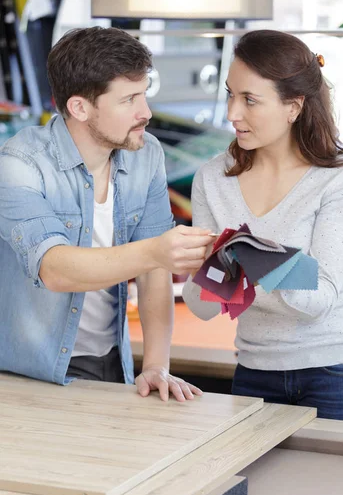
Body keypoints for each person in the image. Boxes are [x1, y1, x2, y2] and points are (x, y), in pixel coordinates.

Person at [0, 26, 215, 402]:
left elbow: (154, 272)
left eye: (144, 94)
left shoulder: (146, 154)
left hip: (114, 361)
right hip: (32, 374)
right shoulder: (19, 163)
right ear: (79, 107)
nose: (145, 112)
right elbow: (55, 268)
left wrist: (156, 366)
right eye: (128, 99)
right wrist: (154, 252)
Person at [183, 29, 343, 423]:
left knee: (338, 488)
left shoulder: (338, 177)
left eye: (250, 100)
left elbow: (320, 298)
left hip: (337, 368)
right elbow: (200, 305)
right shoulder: (212, 178)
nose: (231, 113)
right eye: (230, 94)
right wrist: (210, 269)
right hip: (255, 367)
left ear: (294, 106)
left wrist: (248, 253)